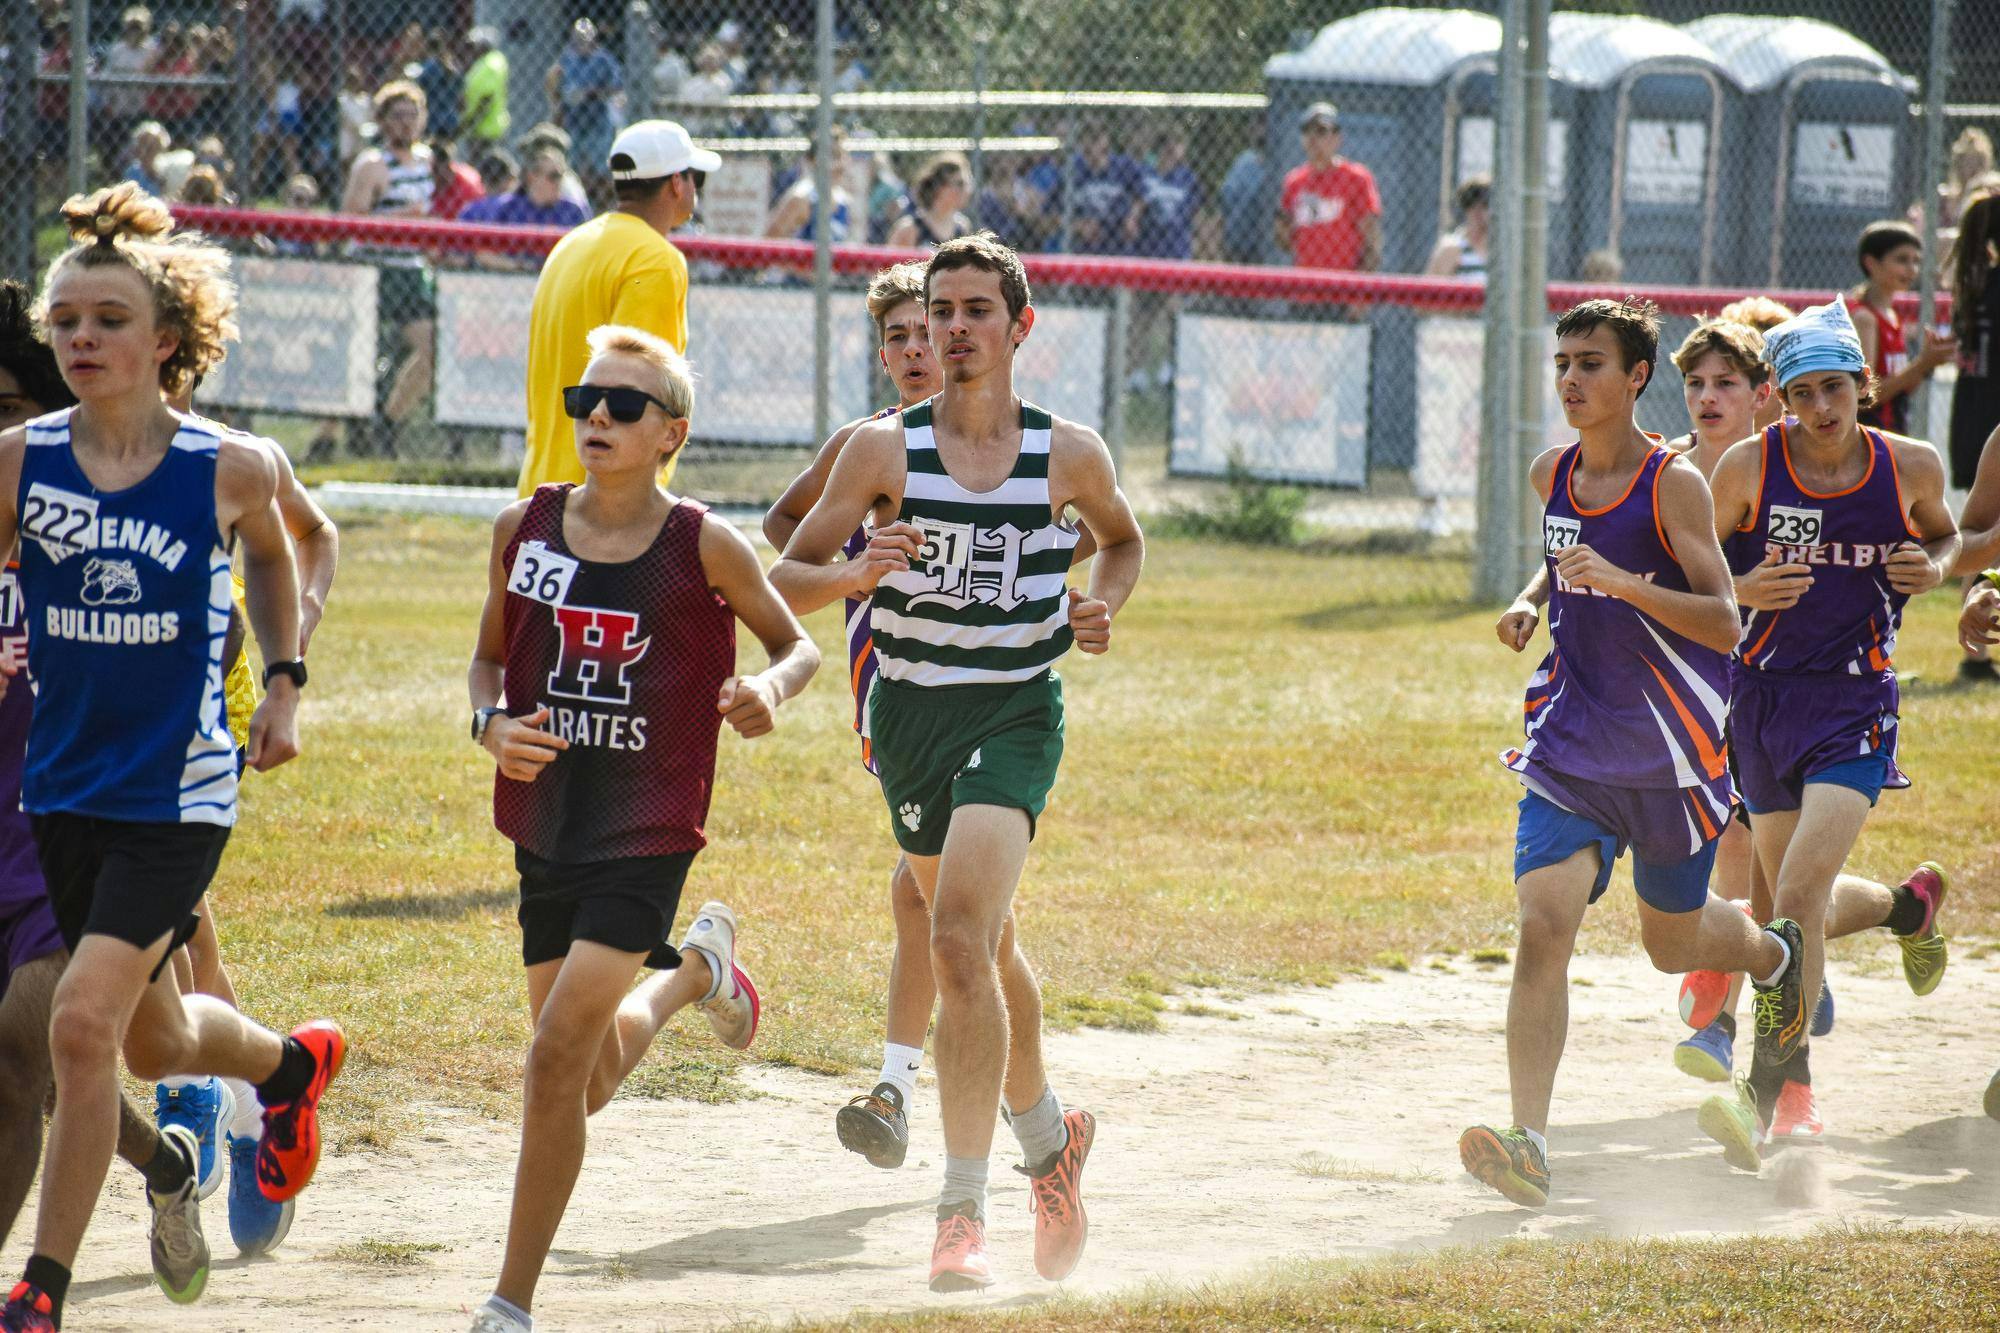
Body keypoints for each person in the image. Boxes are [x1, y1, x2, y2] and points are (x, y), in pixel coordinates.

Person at [0, 183, 345, 1333]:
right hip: (64, 782)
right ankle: (289, 1072)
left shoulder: (226, 465)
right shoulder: (20, 461)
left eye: (107, 319)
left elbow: (288, 554)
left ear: (165, 341)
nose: (82, 338)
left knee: (81, 1025)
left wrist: (284, 684)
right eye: (67, 322)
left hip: (179, 787)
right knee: (155, 1034)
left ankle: (38, 1292)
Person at [770, 233, 1144, 1290]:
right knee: (985, 953)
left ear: (1018, 327)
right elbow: (775, 577)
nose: (954, 328)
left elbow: (1121, 539)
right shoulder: (880, 453)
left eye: (977, 309)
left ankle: (958, 1211)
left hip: (1015, 712)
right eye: (941, 311)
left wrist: (1099, 605)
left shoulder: (1066, 452)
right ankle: (1049, 1141)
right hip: (910, 722)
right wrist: (852, 572)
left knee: (954, 944)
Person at [464, 325, 817, 1333]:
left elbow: (795, 646)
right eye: (586, 401)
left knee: (550, 1058)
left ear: (674, 432)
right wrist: (488, 724)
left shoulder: (700, 542)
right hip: (548, 819)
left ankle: (508, 1303)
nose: (598, 418)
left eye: (624, 405)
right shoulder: (521, 525)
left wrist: (765, 688)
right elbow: (486, 662)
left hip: (649, 823)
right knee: (583, 1075)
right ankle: (694, 977)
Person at [1467, 297, 1803, 1210]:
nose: (1571, 380)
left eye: (1590, 364)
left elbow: (1725, 619)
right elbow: (1565, 546)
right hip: (1573, 741)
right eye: (1562, 364)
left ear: (1635, 377)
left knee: (1673, 943)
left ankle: (1774, 962)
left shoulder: (1673, 485)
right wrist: (1533, 597)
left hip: (1672, 754)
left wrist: (1621, 584)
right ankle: (1528, 1141)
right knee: (1543, 926)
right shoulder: (1553, 472)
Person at [1694, 297, 1958, 1166]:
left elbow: (1951, 539)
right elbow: (1699, 572)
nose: (1821, 409)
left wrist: (1938, 565)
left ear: (1863, 384)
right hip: (1762, 702)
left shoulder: (1908, 466)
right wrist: (1741, 589)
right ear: (1780, 395)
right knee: (1780, 903)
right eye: (1803, 392)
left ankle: (1775, 1088)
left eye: (1836, 387)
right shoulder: (1745, 468)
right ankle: (1906, 906)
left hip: (1855, 702)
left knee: (1798, 893)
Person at [0, 280, 217, 1306]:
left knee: (41, 1030)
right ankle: (164, 1164)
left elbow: (206, 699)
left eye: (9, 408)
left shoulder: (135, 513)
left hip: (65, 815)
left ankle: (34, 1288)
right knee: (51, 1058)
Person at [521, 120, 716, 499]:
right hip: (603, 506)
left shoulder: (573, 243)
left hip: (539, 493)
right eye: (696, 178)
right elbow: (636, 391)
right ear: (677, 183)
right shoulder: (655, 259)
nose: (696, 188)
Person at [340, 79, 438, 454]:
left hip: (411, 269)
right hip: (374, 268)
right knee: (357, 353)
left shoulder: (426, 161)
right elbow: (351, 218)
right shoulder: (372, 164)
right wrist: (401, 216)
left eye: (413, 115)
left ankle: (389, 422)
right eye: (397, 116)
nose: (406, 124)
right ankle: (339, 433)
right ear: (381, 121)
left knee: (432, 350)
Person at [1947, 194, 2000, 681]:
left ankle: (1976, 655)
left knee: (1982, 535)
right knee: (1986, 536)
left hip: (1973, 414)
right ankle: (1976, 653)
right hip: (1992, 417)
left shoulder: (1974, 283)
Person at [1846, 221, 1956, 436]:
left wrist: (1928, 362)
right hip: (1870, 433)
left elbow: (1901, 389)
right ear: (1871, 263)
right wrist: (1921, 363)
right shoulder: (1865, 318)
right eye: (1902, 260)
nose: (1912, 269)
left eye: (1916, 261)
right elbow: (1865, 394)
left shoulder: (1892, 315)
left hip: (1893, 428)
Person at [1277, 102, 1380, 273]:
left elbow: (1371, 238)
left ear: (1337, 138)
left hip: (1343, 284)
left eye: (1321, 131)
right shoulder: (1294, 181)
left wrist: (1363, 286)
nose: (1313, 138)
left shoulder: (1356, 178)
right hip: (1305, 285)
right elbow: (1285, 239)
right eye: (1307, 131)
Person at [545, 20, 623, 203]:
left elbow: (616, 88)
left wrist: (589, 93)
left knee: (601, 168)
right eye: (577, 39)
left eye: (585, 38)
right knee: (574, 167)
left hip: (598, 121)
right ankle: (582, 201)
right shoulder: (567, 58)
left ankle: (603, 204)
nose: (580, 43)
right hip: (573, 120)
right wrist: (557, 105)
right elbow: (553, 84)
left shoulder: (604, 60)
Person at [1052, 119, 1144, 256]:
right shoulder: (1071, 170)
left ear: (1106, 139)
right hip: (1083, 247)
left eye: (1097, 137)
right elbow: (1051, 214)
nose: (1094, 143)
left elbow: (1141, 196)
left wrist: (1132, 218)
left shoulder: (1124, 166)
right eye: (1089, 136)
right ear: (1082, 141)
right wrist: (1079, 226)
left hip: (1120, 244)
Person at [766, 130, 856, 243]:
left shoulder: (843, 200)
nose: (840, 164)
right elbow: (768, 244)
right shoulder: (802, 197)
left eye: (844, 155)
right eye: (833, 156)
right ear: (813, 160)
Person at [887, 153, 972, 250]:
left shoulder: (962, 227)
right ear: (939, 187)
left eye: (967, 184)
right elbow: (889, 264)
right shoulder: (910, 229)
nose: (966, 190)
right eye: (960, 184)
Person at [1425, 176, 1489, 280]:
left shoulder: (1500, 249)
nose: (1478, 212)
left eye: (1485, 206)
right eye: (1472, 205)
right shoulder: (1452, 248)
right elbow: (1432, 291)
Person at [462, 28, 510, 152]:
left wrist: (470, 124)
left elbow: (486, 99)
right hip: (484, 128)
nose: (469, 50)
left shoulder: (490, 64)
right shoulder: (487, 62)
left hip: (485, 131)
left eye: (473, 46)